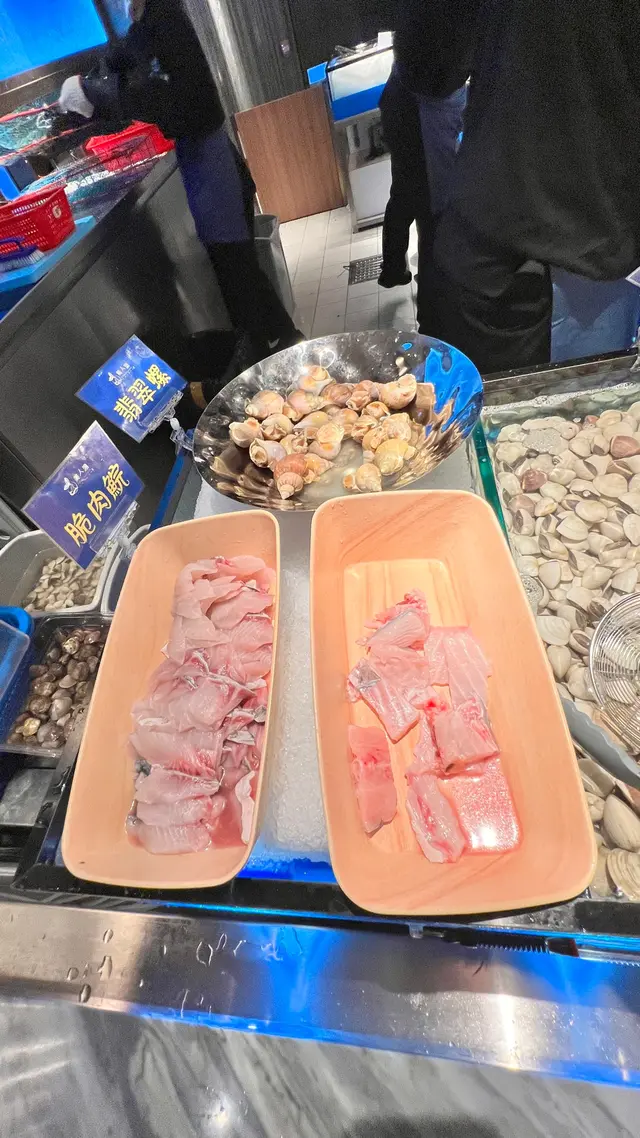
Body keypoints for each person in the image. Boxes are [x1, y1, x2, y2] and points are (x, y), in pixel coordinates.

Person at [58, 0, 301, 373]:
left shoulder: (165, 14)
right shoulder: (151, 18)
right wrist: (95, 82)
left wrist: (101, 95)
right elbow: (130, 53)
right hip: (203, 155)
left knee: (236, 272)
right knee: (239, 268)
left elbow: (186, 99)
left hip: (212, 157)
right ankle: (284, 340)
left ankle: (267, 360)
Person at [423, 0, 640, 373]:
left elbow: (428, 66)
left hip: (500, 233)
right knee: (590, 402)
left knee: (511, 402)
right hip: (601, 235)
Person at [378, 0, 479, 318]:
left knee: (405, 193)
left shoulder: (420, 19)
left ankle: (394, 270)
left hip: (402, 96)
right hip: (424, 103)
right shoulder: (451, 20)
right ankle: (433, 313)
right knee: (431, 209)